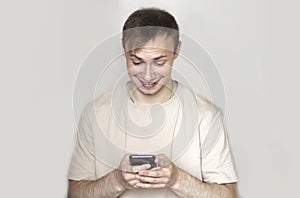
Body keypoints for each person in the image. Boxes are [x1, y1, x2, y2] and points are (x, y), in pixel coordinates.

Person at [68, 8, 238, 197]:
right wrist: (116, 180)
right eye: (137, 61)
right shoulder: (95, 113)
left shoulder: (205, 115)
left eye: (159, 61)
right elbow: (76, 194)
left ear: (177, 51)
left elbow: (228, 195)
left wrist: (177, 179)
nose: (148, 76)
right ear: (124, 51)